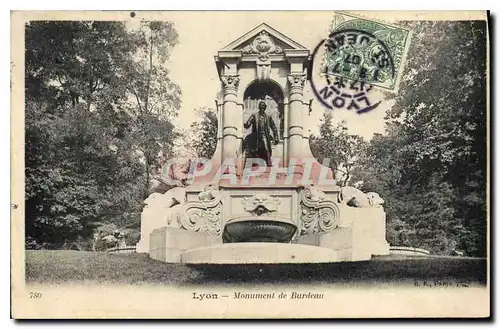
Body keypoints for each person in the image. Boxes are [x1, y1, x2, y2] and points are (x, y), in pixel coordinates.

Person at [243, 101, 279, 166]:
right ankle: (256, 163)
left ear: (265, 108)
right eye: (260, 106)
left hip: (264, 135)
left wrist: (276, 137)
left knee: (266, 148)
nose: (262, 108)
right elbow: (248, 123)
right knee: (256, 150)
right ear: (259, 107)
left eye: (263, 107)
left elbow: (273, 127)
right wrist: (246, 124)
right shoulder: (254, 115)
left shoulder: (268, 117)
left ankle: (268, 162)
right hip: (256, 136)